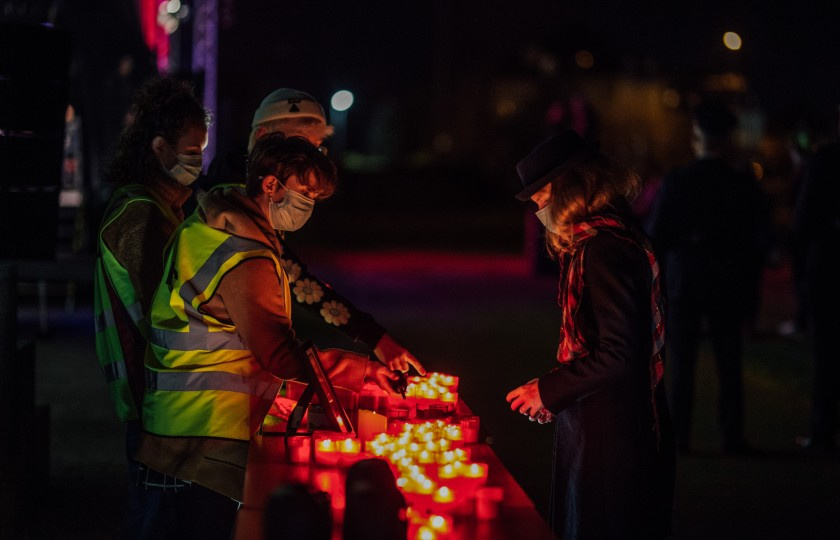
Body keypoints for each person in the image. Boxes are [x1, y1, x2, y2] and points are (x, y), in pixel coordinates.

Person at [134, 133, 400, 538]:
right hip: (206, 435)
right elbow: (279, 353)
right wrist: (360, 373)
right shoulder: (245, 253)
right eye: (304, 193)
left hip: (178, 425)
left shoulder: (213, 225)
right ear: (270, 185)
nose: (308, 206)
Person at [506, 130, 675, 539]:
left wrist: (549, 390)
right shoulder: (594, 243)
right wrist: (554, 390)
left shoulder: (606, 249)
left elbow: (620, 353)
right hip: (600, 424)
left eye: (542, 197)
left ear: (569, 189)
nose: (538, 209)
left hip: (612, 434)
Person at [204, 88, 425, 376]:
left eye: (318, 148)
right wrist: (363, 364)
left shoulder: (246, 201)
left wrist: (373, 338)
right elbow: (293, 299)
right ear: (262, 139)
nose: (313, 160)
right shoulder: (233, 212)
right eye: (300, 145)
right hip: (209, 389)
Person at [93, 76, 209, 539]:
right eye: (190, 149)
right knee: (156, 521)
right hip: (155, 399)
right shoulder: (139, 215)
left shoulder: (167, 209)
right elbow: (165, 315)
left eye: (201, 148)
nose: (197, 159)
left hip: (161, 396)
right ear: (159, 148)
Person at [646, 99, 768, 456]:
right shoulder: (741, 183)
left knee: (682, 363)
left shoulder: (678, 180)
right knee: (729, 362)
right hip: (727, 280)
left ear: (697, 135)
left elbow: (657, 233)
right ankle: (732, 436)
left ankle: (678, 436)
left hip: (685, 280)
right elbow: (756, 238)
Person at [792, 108, 840, 453]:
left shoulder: (824, 162)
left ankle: (822, 432)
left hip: (829, 268)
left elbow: (802, 222)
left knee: (826, 356)